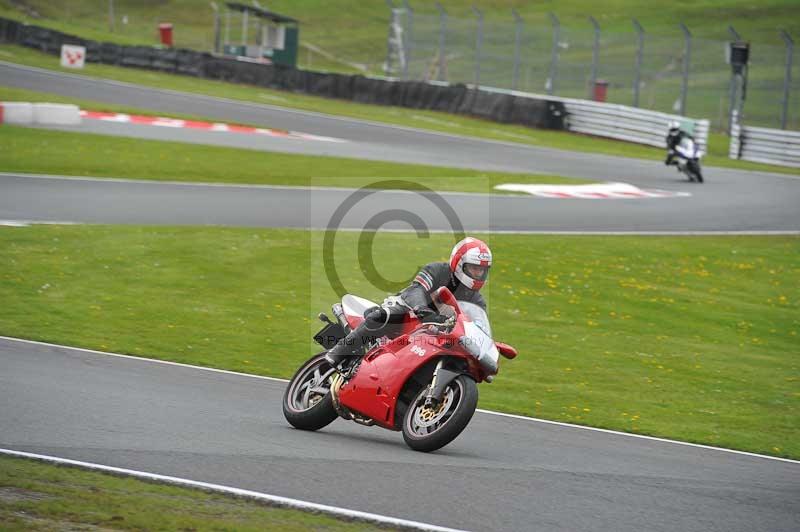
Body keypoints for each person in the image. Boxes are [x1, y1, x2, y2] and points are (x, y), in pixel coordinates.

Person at [324, 237, 492, 368]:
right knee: (385, 316)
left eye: (482, 270)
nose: (477, 274)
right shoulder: (437, 270)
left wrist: (488, 346)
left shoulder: (477, 300)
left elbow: (477, 327)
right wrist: (421, 308)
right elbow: (415, 290)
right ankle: (338, 352)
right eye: (474, 268)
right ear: (459, 262)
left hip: (438, 334)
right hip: (409, 313)